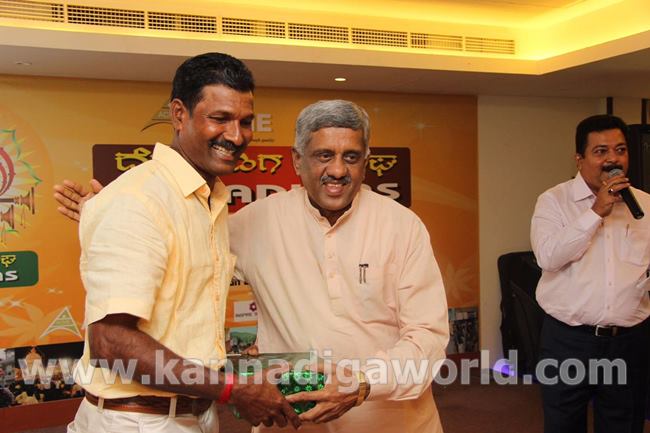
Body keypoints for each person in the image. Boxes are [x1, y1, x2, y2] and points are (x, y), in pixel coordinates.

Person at [55, 99, 449, 433]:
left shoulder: (402, 227)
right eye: (323, 156)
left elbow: (428, 338)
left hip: (392, 422)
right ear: (297, 160)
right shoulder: (255, 222)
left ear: (366, 161)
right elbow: (184, 242)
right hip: (293, 423)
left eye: (351, 157)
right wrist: (113, 211)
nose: (337, 170)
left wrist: (361, 383)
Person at [58, 52, 300, 433]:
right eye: (220, 118)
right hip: (137, 422)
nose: (236, 136)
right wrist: (232, 390)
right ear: (178, 115)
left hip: (192, 413)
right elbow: (111, 342)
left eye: (245, 122)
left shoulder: (206, 201)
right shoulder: (137, 200)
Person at [531, 114, 650, 433]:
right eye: (600, 151)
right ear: (579, 158)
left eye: (620, 150)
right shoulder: (554, 201)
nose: (613, 159)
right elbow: (548, 257)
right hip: (568, 340)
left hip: (628, 342)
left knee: (624, 424)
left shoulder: (645, 205)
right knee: (563, 424)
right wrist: (596, 211)